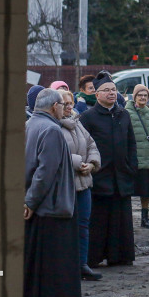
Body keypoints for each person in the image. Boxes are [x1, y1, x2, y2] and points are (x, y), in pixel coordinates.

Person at [24, 88, 82, 297]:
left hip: (38, 208)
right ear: (53, 107)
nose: (66, 108)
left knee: (38, 267)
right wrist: (31, 201)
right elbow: (45, 172)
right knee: (54, 270)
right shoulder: (51, 130)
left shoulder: (30, 125)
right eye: (63, 104)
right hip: (53, 209)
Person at [78, 71, 137, 267]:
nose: (112, 93)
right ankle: (94, 257)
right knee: (99, 220)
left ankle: (120, 255)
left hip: (121, 175)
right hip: (100, 176)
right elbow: (83, 145)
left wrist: (131, 167)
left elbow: (131, 143)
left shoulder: (123, 114)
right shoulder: (88, 117)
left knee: (121, 219)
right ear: (97, 94)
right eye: (106, 90)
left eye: (114, 90)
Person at [56, 89, 103, 281]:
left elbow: (92, 145)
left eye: (71, 103)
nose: (69, 107)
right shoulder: (52, 126)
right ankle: (65, 266)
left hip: (84, 182)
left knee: (83, 225)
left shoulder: (77, 122)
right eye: (65, 104)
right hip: (64, 185)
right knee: (65, 228)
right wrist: (78, 163)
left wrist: (92, 164)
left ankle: (82, 263)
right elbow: (56, 152)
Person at [125, 84, 149, 230]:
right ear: (134, 96)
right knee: (127, 191)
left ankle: (145, 218)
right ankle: (126, 218)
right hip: (131, 159)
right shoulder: (126, 113)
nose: (143, 98)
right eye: (140, 95)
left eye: (145, 95)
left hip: (146, 159)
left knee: (145, 191)